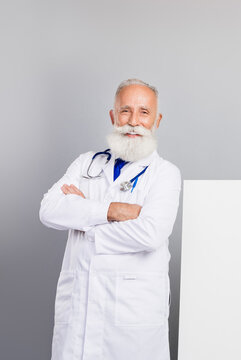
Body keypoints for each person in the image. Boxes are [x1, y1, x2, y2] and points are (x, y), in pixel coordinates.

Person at [39, 79, 181, 360]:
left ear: (157, 120)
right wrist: (111, 210)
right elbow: (49, 209)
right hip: (79, 313)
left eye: (144, 112)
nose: (133, 122)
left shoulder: (165, 173)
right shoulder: (86, 163)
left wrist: (83, 220)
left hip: (132, 321)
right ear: (113, 116)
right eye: (125, 111)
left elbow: (150, 233)